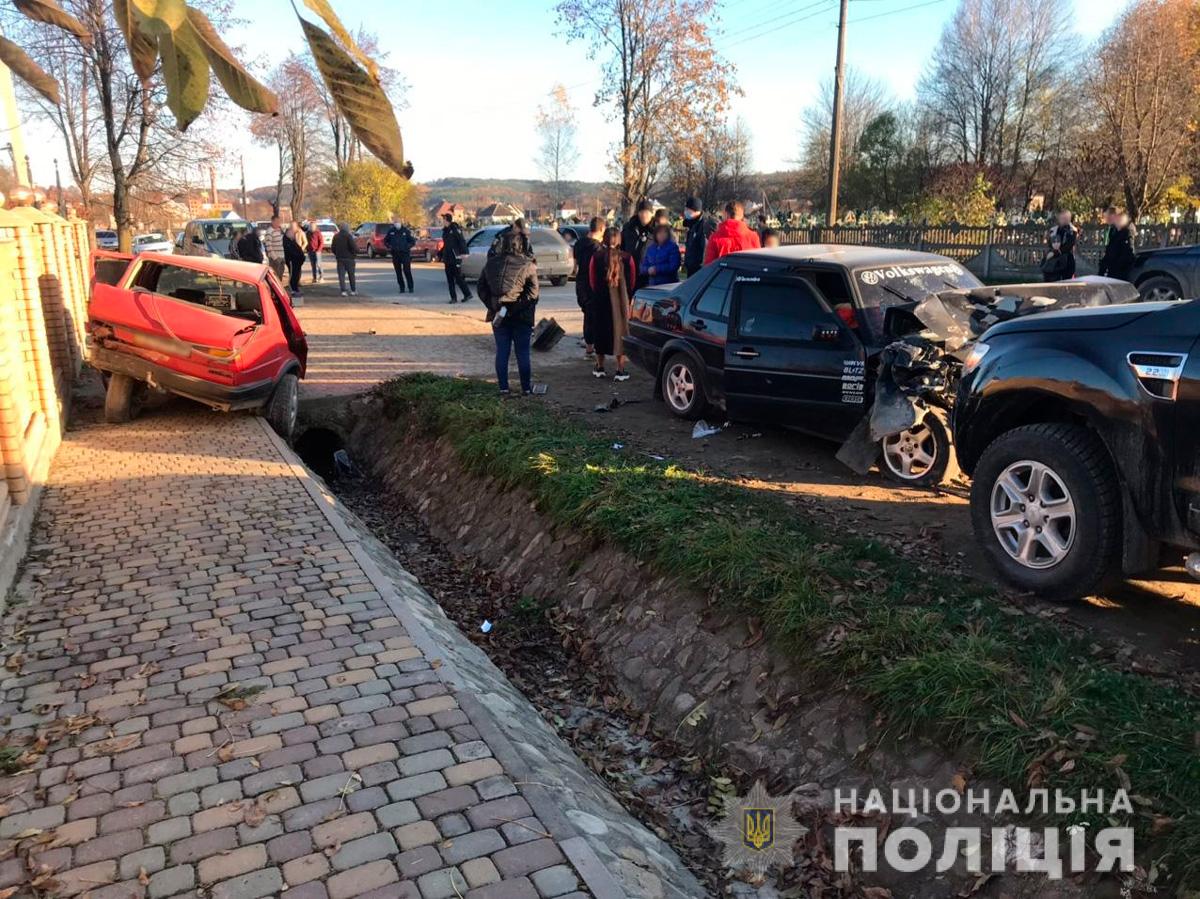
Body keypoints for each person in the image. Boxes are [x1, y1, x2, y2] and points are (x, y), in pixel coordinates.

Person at [477, 231, 539, 396]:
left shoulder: (490, 264)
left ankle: (503, 387)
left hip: (498, 315)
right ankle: (526, 388)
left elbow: (481, 288)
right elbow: (533, 294)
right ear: (520, 245)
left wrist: (493, 305)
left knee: (502, 351)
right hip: (522, 316)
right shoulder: (528, 265)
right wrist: (516, 307)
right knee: (523, 352)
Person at [588, 226, 637, 381]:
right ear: (619, 240)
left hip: (601, 300)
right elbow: (633, 281)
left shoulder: (596, 257)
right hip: (621, 302)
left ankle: (600, 367)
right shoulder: (628, 258)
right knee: (620, 332)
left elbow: (592, 281)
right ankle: (620, 369)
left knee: (601, 332)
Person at [573, 216, 605, 357]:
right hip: (593, 283)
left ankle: (589, 346)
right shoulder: (598, 248)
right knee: (594, 316)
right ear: (602, 229)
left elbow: (575, 267)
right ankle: (594, 347)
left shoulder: (579, 244)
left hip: (580, 283)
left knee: (587, 314)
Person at [621, 200, 655, 289]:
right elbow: (621, 248)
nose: (644, 215)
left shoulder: (657, 231)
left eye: (647, 212)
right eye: (641, 212)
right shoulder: (629, 228)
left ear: (652, 214)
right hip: (630, 273)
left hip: (649, 276)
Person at [440, 213, 473, 304]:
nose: (442, 221)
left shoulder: (455, 229)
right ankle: (453, 298)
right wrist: (440, 254)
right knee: (450, 279)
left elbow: (461, 241)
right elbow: (446, 245)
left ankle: (467, 294)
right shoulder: (445, 231)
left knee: (458, 278)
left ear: (447, 220)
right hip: (447, 257)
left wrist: (465, 252)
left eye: (443, 219)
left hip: (455, 257)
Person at [1098, 206, 1136, 281]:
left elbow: (1127, 252)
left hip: (1120, 270)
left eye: (1107, 217)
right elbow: (1111, 249)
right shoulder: (1113, 229)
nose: (1106, 220)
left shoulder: (1127, 231)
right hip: (1113, 267)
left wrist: (1116, 265)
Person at [683, 197, 716, 277]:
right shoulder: (692, 223)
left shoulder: (704, 225)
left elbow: (704, 248)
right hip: (691, 267)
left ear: (694, 210)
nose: (685, 211)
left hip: (699, 269)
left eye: (687, 209)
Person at [1042, 209, 1078, 282]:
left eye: (1066, 218)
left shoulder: (1072, 231)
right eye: (1062, 218)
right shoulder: (1053, 230)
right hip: (1053, 261)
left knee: (1066, 282)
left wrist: (1055, 253)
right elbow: (1049, 243)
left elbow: (1068, 246)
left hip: (1067, 260)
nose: (1064, 220)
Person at [385, 218, 416, 294]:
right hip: (395, 254)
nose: (397, 223)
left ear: (401, 223)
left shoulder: (406, 231)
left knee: (407, 271)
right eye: (395, 222)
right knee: (398, 272)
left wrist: (407, 247)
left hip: (405, 254)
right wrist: (389, 246)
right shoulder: (391, 231)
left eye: (398, 222)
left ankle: (410, 287)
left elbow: (412, 241)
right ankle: (401, 287)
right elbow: (386, 241)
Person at [283, 222, 307, 303]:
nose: (294, 234)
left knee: (296, 276)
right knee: (293, 276)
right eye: (292, 232)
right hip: (292, 261)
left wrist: (301, 257)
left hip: (297, 261)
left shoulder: (292, 240)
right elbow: (291, 252)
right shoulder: (286, 241)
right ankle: (293, 291)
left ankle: (296, 289)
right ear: (288, 232)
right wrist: (298, 256)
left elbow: (299, 249)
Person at [332, 222, 357, 296]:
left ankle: (343, 291)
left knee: (341, 276)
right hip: (349, 258)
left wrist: (337, 254)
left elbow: (333, 248)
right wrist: (354, 254)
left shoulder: (336, 236)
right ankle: (353, 290)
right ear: (347, 228)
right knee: (351, 275)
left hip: (340, 258)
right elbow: (353, 247)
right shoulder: (348, 236)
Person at [263, 215, 286, 282]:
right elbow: (268, 246)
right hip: (275, 258)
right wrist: (275, 258)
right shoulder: (269, 231)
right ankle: (274, 291)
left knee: (280, 275)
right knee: (275, 277)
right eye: (276, 222)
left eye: (279, 222)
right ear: (272, 222)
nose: (278, 223)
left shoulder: (279, 231)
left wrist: (283, 257)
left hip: (281, 257)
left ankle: (279, 290)